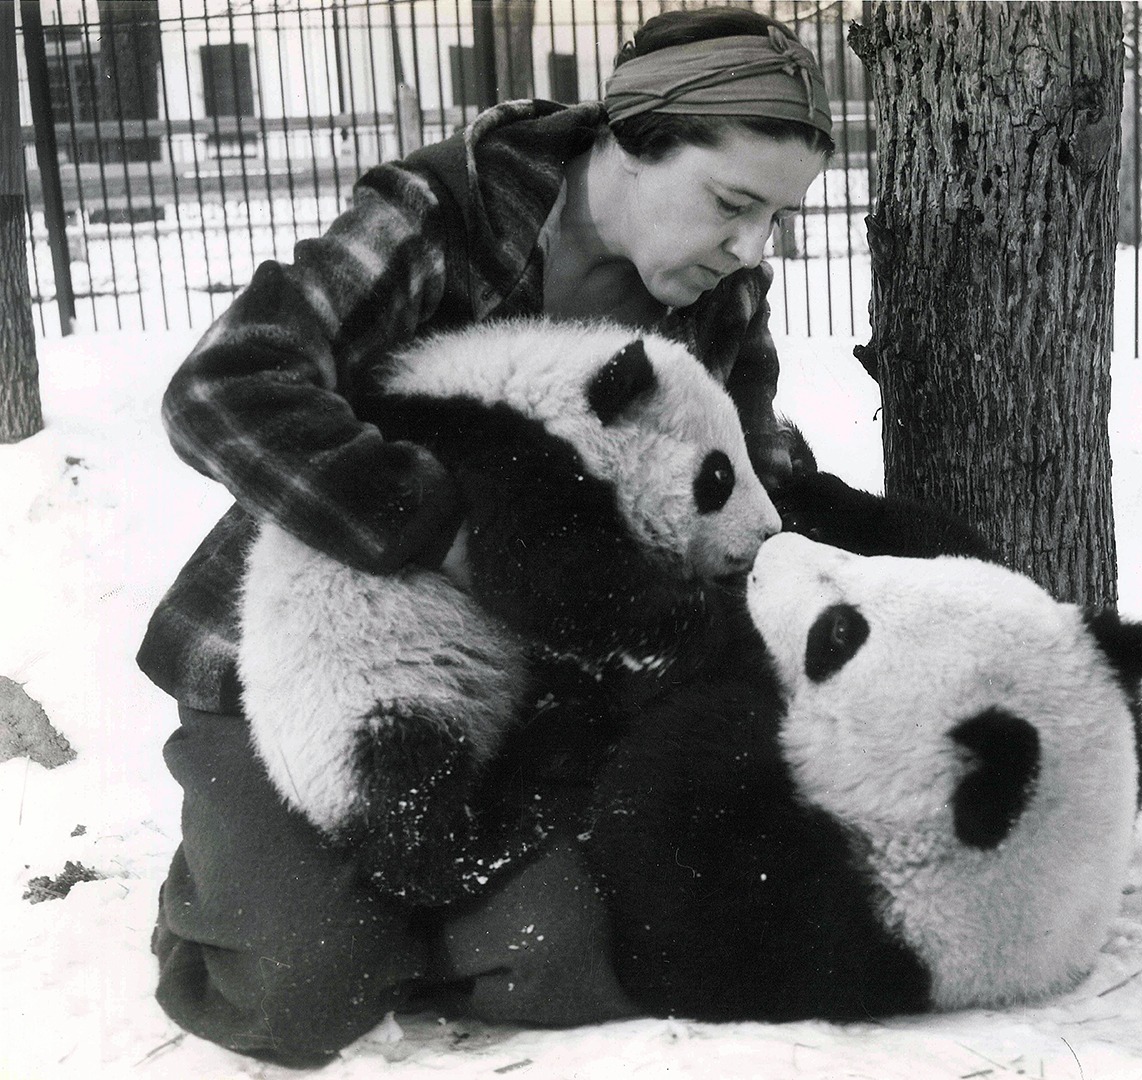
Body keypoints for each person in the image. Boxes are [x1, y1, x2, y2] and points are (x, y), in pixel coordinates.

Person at [142, 7, 833, 1067]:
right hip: (306, 665)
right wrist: (448, 530)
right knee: (297, 985)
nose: (751, 248)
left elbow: (752, 485)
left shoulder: (722, 295)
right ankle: (263, 889)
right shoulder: (440, 213)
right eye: (733, 204)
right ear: (631, 140)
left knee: (560, 961)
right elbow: (222, 389)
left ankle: (402, 912)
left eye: (778, 218)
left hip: (522, 689)